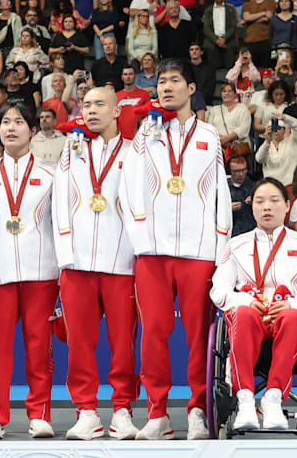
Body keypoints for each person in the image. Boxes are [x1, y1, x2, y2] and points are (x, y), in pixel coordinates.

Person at [120, 58, 232, 440]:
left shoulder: (208, 136)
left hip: (198, 251)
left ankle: (198, 409)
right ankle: (157, 413)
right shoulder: (145, 133)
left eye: (174, 81)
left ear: (190, 89)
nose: (166, 87)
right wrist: (139, 239)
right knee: (153, 332)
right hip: (152, 250)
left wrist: (220, 252)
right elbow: (127, 187)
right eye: (161, 82)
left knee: (198, 335)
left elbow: (221, 194)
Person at [211, 176, 297, 431]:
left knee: (292, 317)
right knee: (242, 314)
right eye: (260, 201)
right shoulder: (235, 245)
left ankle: (273, 399)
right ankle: (245, 400)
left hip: (288, 324)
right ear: (251, 206)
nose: (267, 207)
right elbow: (218, 290)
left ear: (288, 206)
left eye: (274, 200)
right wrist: (242, 299)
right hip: (248, 323)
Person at [51, 86, 139, 439]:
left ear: (117, 111)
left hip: (122, 262)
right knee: (80, 342)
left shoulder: (135, 152)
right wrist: (65, 257)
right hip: (78, 262)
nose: (91, 110)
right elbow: (60, 202)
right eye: (86, 104)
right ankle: (86, 410)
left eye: (100, 104)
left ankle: (122, 410)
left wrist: (139, 253)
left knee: (123, 343)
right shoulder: (71, 152)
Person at [0, 102, 58, 439]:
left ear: (33, 130)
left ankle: (40, 414)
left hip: (42, 269)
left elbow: (61, 223)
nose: (11, 127)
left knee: (39, 346)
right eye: (6, 122)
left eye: (19, 122)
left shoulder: (52, 174)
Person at [207, 82, 252, 159]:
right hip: (219, 147)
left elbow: (244, 128)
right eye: (224, 91)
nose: (226, 93)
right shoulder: (214, 109)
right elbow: (210, 128)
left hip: (238, 147)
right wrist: (220, 140)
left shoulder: (243, 108)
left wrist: (227, 138)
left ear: (235, 94)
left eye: (229, 91)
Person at [202, 0, 239, 69]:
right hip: (212, 43)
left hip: (228, 42)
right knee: (213, 70)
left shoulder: (230, 9)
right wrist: (216, 40)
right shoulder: (208, 10)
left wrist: (224, 39)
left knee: (230, 70)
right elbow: (206, 28)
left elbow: (233, 27)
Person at [227, 156, 255, 235]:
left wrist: (257, 201)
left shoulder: (254, 187)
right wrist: (226, 209)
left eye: (244, 170)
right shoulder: (223, 189)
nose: (241, 174)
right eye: (236, 171)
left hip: (251, 231)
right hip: (231, 233)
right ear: (229, 171)